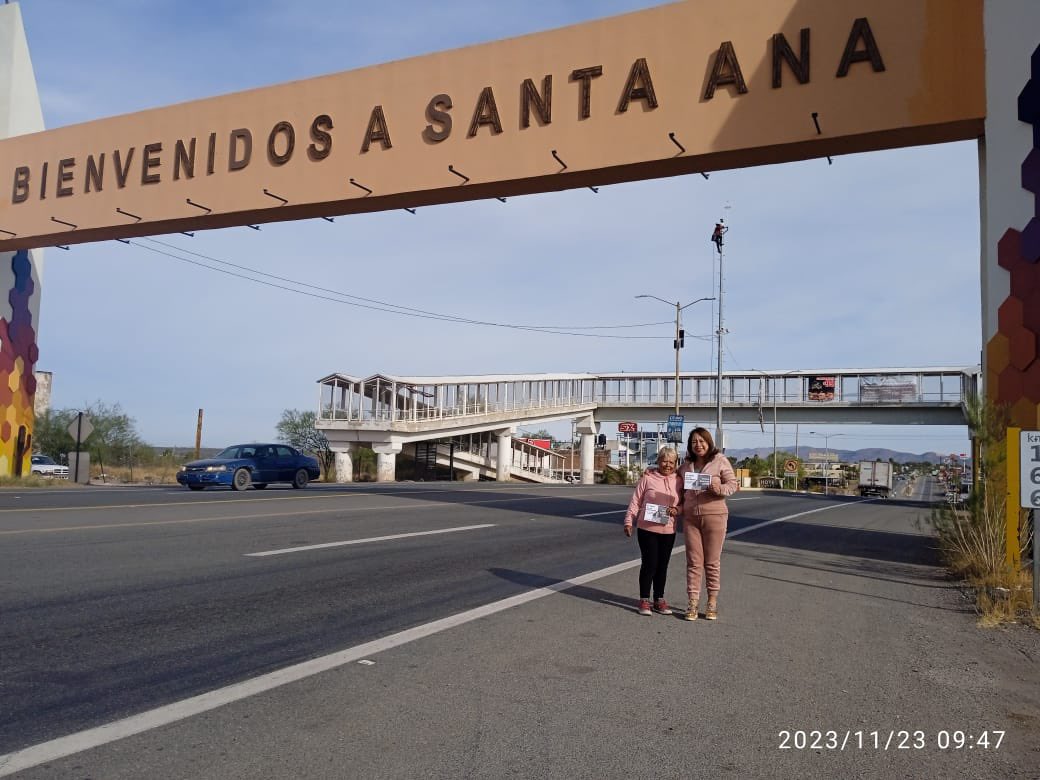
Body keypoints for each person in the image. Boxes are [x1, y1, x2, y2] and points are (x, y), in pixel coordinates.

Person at [677, 427, 738, 621]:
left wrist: (718, 488)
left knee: (711, 562)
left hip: (715, 516)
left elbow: (733, 485)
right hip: (690, 518)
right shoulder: (686, 465)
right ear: (690, 445)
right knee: (694, 562)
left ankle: (712, 602)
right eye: (694, 442)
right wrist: (653, 471)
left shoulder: (719, 460)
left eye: (702, 441)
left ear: (708, 442)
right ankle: (692, 602)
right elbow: (674, 482)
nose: (698, 445)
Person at [623, 447, 683, 616]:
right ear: (658, 461)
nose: (668, 465)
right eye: (664, 461)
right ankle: (644, 600)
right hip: (647, 529)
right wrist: (629, 521)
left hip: (668, 530)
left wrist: (677, 510)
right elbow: (635, 501)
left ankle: (659, 599)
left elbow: (686, 503)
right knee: (649, 564)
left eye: (672, 462)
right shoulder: (648, 478)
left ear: (676, 463)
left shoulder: (679, 481)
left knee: (662, 566)